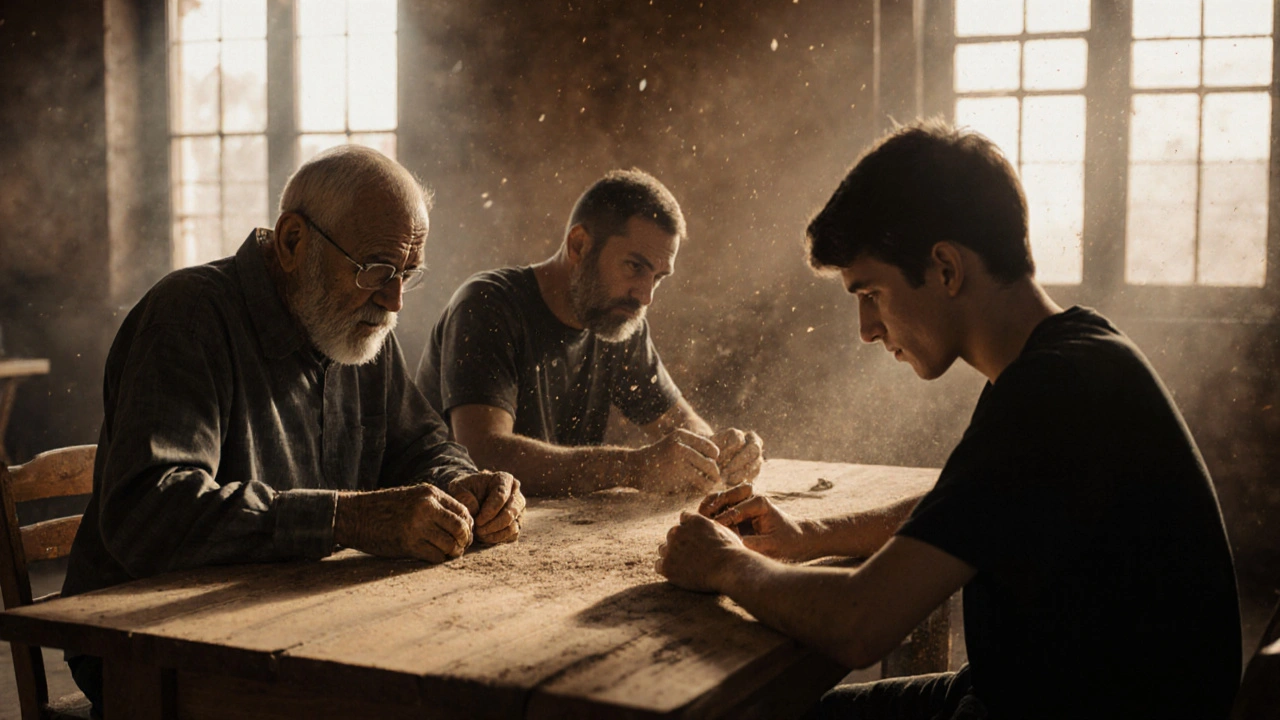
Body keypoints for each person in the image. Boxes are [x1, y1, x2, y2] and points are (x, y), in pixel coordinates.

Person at [656, 120, 1241, 719]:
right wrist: (805, 537)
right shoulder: (1067, 355)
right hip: (1020, 689)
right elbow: (958, 513)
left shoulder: (1052, 393)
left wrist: (726, 564)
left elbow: (860, 624)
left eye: (871, 294)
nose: (867, 330)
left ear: (946, 268)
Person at [62, 145, 525, 715]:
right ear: (292, 242)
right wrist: (346, 519)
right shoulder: (187, 316)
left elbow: (420, 444)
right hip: (153, 642)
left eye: (408, 273)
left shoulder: (363, 325)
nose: (394, 298)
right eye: (376, 269)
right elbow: (148, 515)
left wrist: (463, 483)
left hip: (293, 619)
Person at [416, 169, 763, 496]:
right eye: (634, 266)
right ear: (579, 245)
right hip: (447, 536)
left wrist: (723, 454)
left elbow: (681, 428)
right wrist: (634, 468)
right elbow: (484, 454)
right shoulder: (487, 305)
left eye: (657, 277)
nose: (645, 295)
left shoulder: (619, 321)